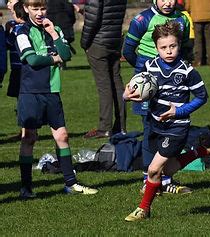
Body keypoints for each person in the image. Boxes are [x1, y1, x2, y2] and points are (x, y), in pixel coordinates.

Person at [123, 20, 210, 221]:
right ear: (156, 47)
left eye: (173, 46)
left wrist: (179, 111)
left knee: (153, 170)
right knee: (166, 171)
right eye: (163, 47)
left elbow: (202, 97)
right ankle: (202, 151)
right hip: (154, 125)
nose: (169, 51)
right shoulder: (149, 66)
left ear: (179, 44)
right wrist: (127, 95)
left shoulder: (187, 71)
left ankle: (143, 209)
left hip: (176, 128)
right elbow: (138, 90)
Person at [15, 0, 98, 198]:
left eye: (42, 8)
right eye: (35, 9)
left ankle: (71, 183)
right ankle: (26, 188)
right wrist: (54, 58)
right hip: (31, 92)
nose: (39, 12)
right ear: (26, 9)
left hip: (52, 90)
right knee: (29, 139)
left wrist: (53, 34)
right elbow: (32, 60)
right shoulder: (22, 31)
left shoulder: (55, 28)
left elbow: (67, 54)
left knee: (62, 136)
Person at [122, 0, 192, 194]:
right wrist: (145, 77)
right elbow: (128, 50)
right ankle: (148, 178)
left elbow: (185, 48)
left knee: (173, 129)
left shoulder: (182, 18)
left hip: (174, 84)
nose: (168, 2)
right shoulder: (142, 19)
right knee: (150, 130)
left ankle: (166, 179)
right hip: (149, 85)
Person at [81, 0, 127, 138]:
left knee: (104, 86)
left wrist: (84, 42)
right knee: (117, 84)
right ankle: (121, 126)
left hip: (99, 41)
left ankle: (104, 127)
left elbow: (92, 18)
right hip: (114, 39)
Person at [185, 0, 210, 66]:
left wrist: (189, 12)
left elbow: (187, 4)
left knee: (198, 40)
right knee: (209, 40)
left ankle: (198, 61)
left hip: (196, 15)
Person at [5, 1, 26, 99]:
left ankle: (21, 109)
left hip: (17, 65)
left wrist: (7, 32)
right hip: (27, 64)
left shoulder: (16, 29)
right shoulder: (29, 26)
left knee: (19, 91)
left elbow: (8, 43)